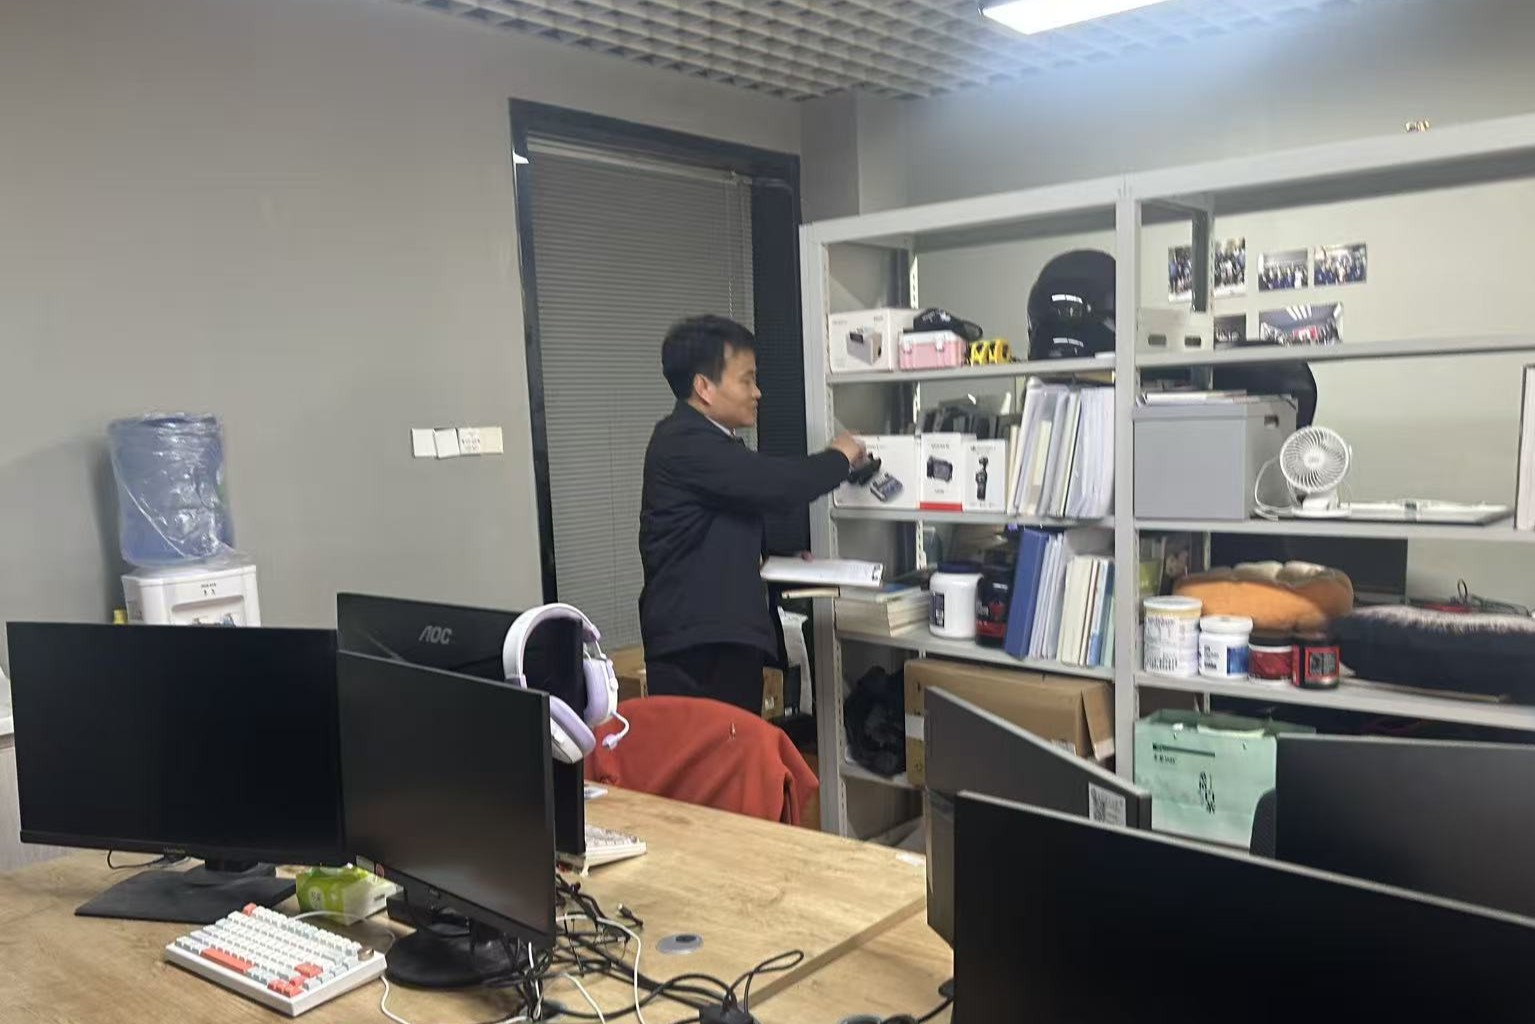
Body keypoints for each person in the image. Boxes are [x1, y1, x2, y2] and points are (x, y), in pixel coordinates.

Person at [639, 315, 865, 712]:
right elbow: (779, 484)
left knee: (732, 746)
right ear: (704, 387)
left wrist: (782, 559)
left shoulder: (708, 442)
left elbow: (718, 523)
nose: (757, 392)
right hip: (700, 650)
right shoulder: (684, 443)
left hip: (714, 641)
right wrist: (840, 458)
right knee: (712, 749)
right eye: (746, 380)